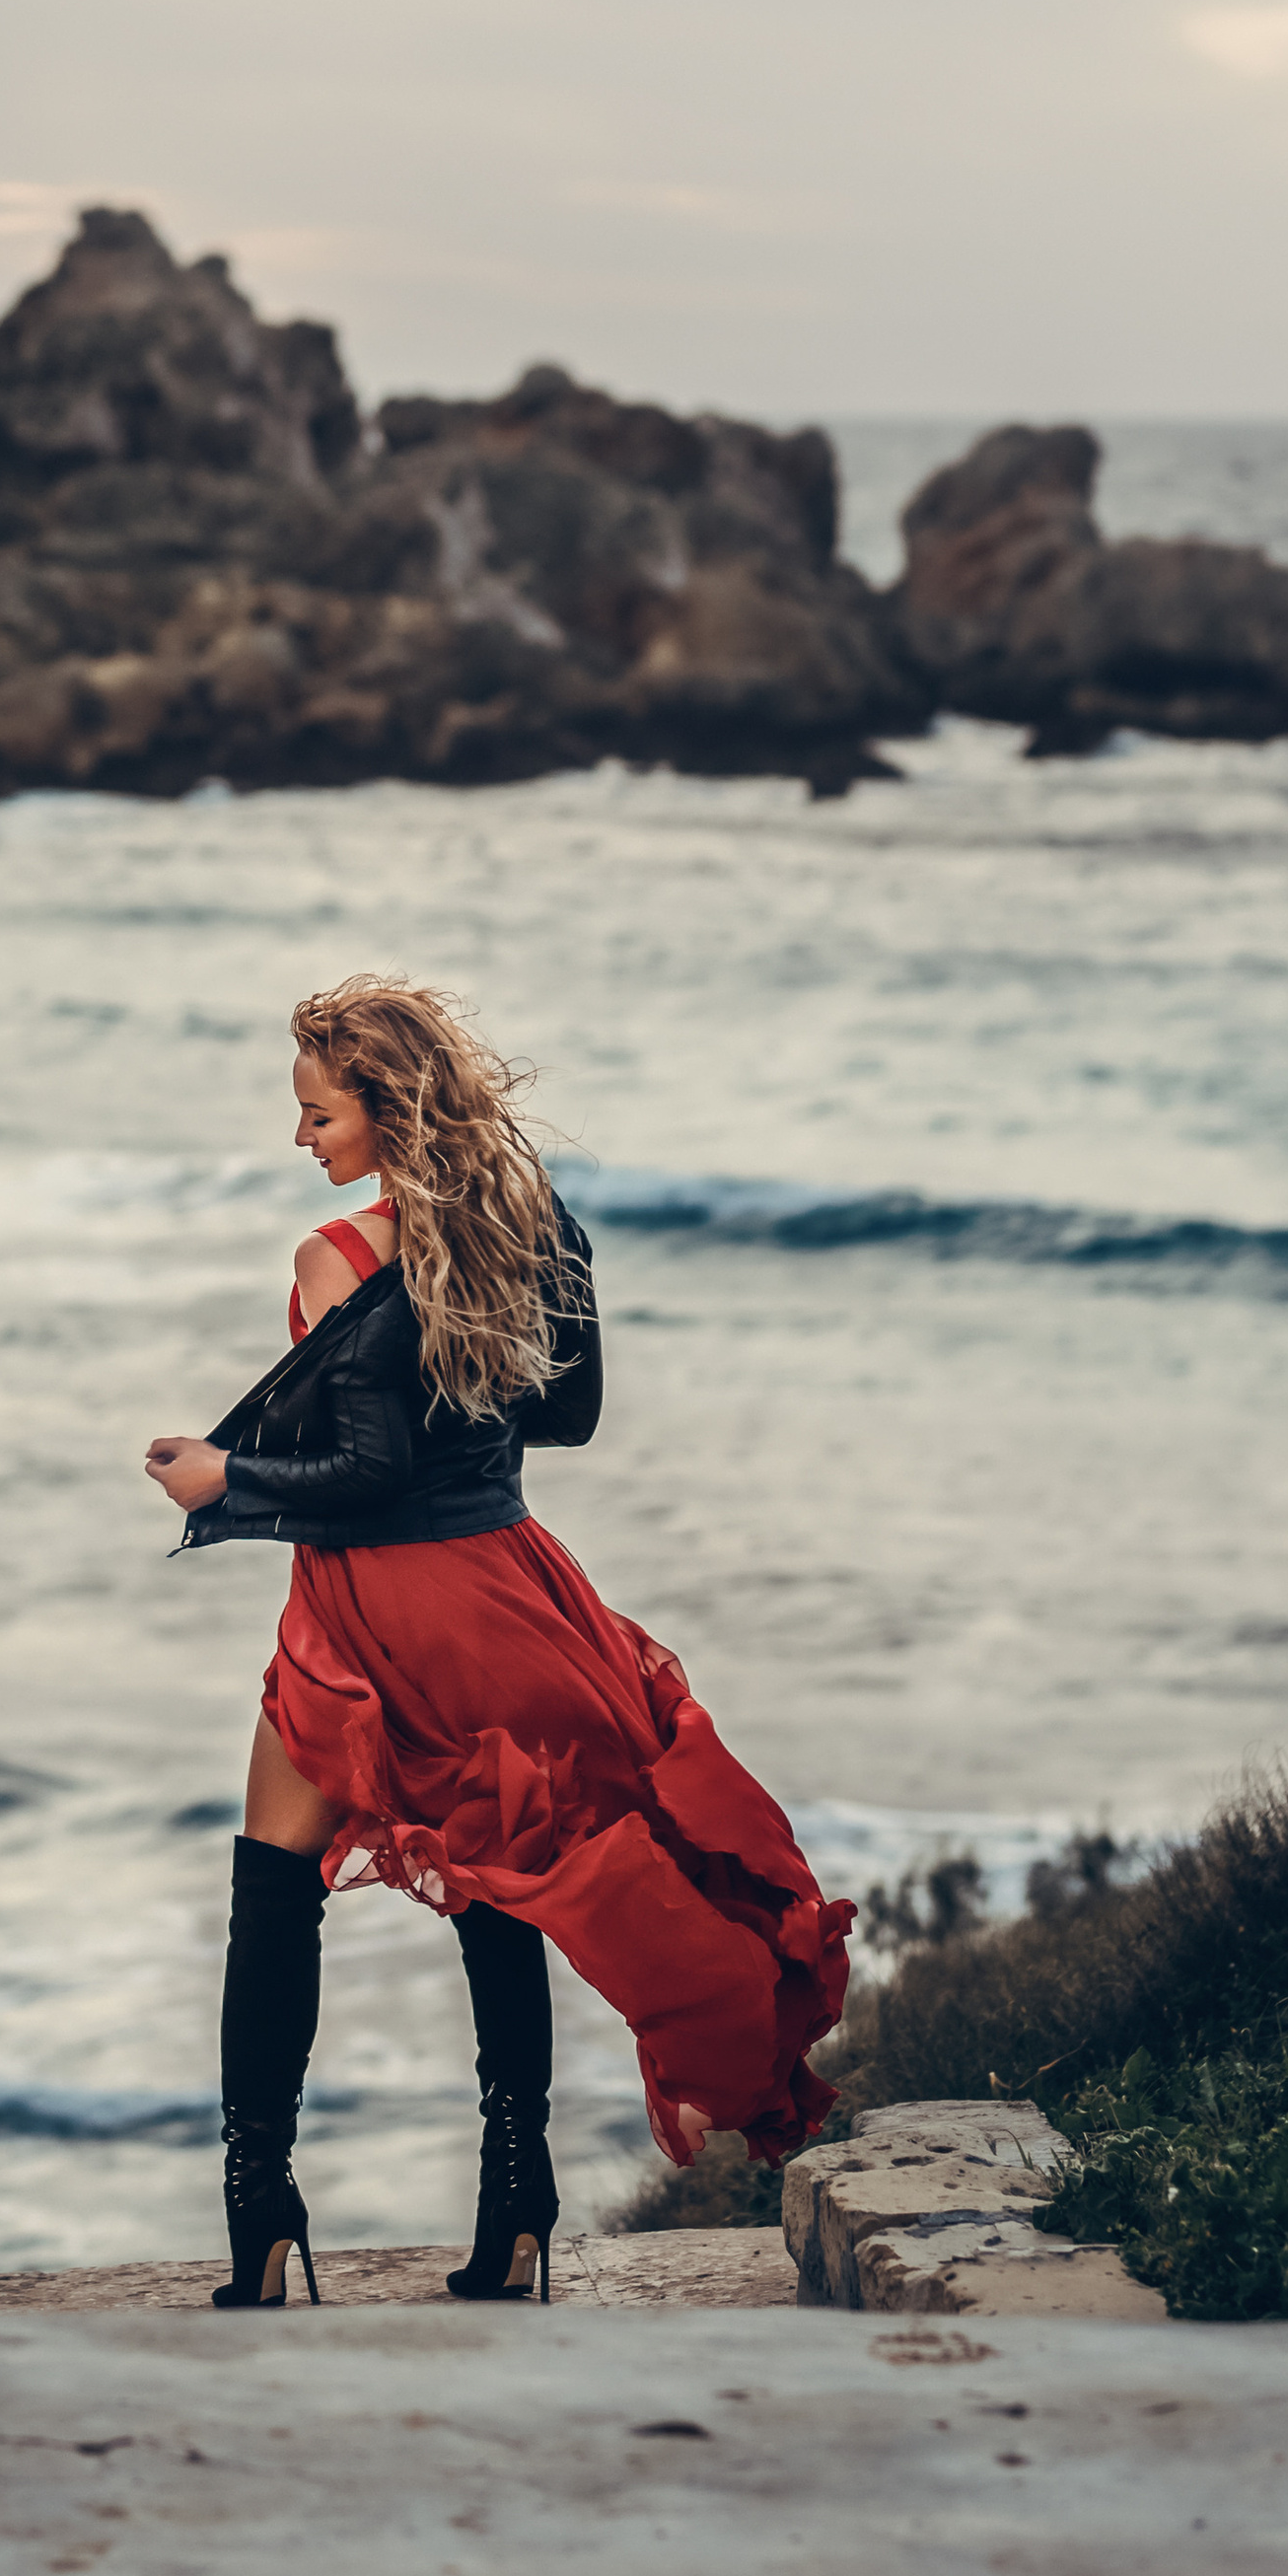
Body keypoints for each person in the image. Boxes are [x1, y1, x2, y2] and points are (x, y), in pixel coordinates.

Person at [144, 974, 850, 2310]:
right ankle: (517, 2207)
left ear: (383, 1107)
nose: (302, 1137)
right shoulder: (543, 1230)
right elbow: (568, 1419)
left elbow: (360, 1469)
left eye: (316, 1111)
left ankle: (261, 2219)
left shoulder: (337, 1259)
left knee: (271, 1891)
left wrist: (220, 1480)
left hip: (365, 1618)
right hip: (509, 1596)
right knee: (492, 1886)